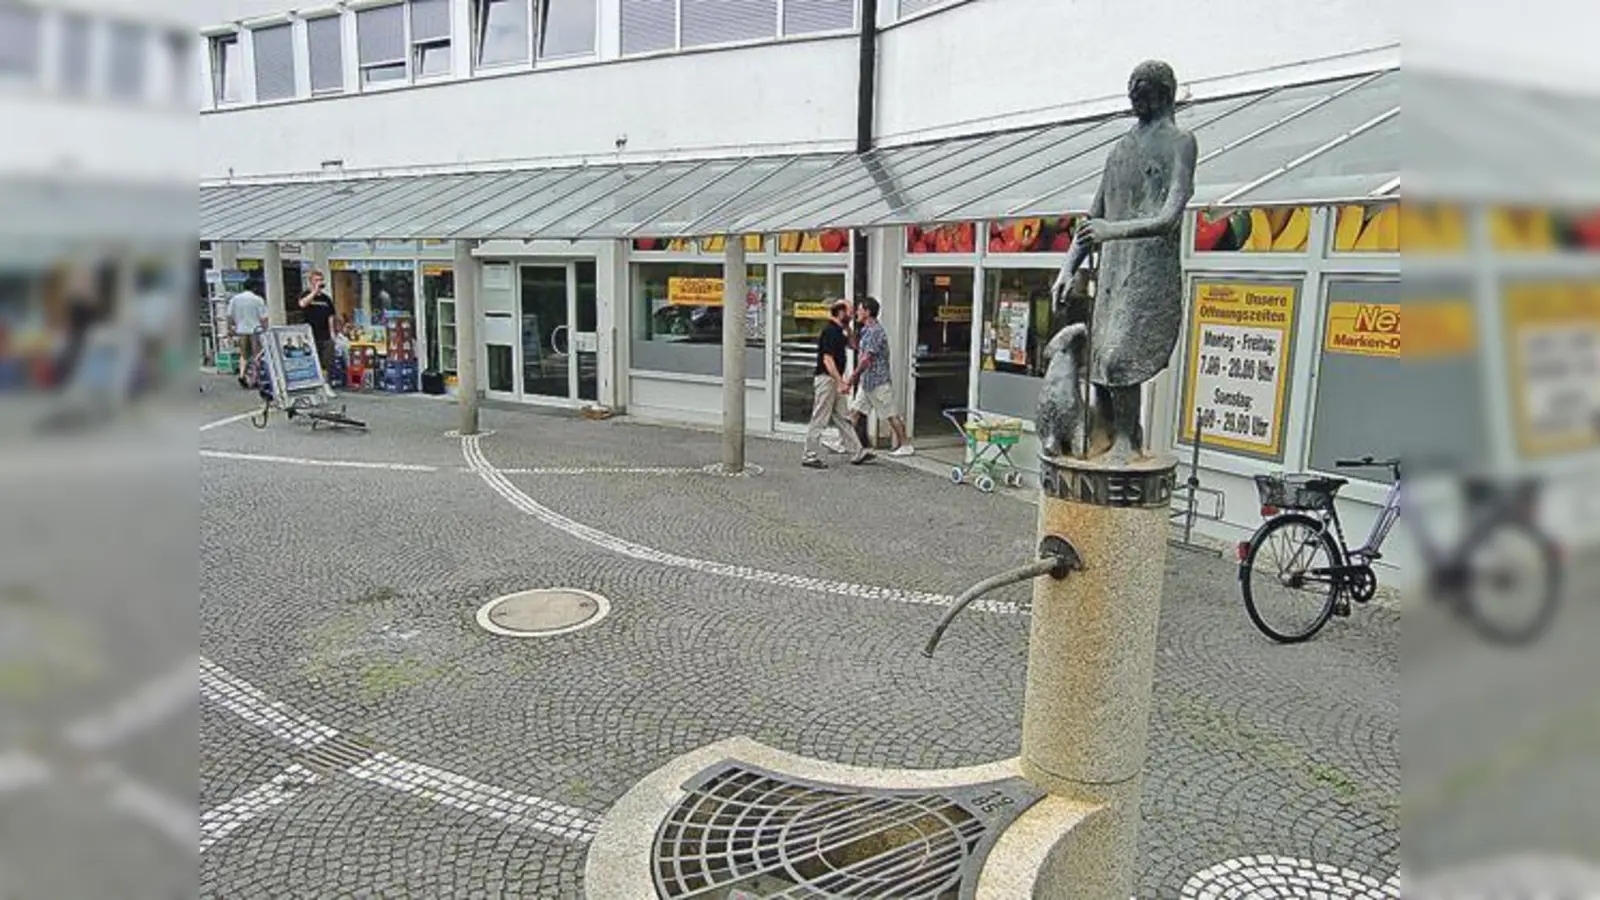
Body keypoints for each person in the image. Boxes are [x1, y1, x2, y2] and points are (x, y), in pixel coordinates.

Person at [803, 300, 872, 469]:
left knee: (843, 417)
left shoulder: (840, 331)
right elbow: (827, 359)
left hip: (834, 379)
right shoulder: (829, 332)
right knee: (820, 417)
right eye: (849, 311)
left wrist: (848, 329)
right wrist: (840, 382)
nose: (852, 314)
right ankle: (809, 455)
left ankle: (857, 451)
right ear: (840, 312)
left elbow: (854, 345)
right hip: (827, 379)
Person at [848, 296, 913, 456]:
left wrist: (853, 376)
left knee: (890, 414)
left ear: (868, 312)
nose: (857, 311)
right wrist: (847, 330)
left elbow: (866, 359)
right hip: (867, 381)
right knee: (855, 411)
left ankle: (905, 445)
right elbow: (857, 347)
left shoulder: (876, 331)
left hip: (878, 382)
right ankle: (844, 441)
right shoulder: (866, 330)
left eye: (860, 309)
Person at [226, 280, 269, 389]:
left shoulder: (235, 299)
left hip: (241, 330)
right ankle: (256, 378)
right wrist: (265, 330)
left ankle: (241, 375)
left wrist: (230, 329)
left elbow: (229, 316)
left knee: (243, 355)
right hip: (255, 330)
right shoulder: (258, 299)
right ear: (254, 288)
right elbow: (264, 318)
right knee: (257, 355)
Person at [298, 270, 338, 379]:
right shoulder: (306, 294)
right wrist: (314, 292)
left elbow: (331, 316)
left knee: (327, 360)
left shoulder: (326, 299)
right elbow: (302, 304)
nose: (319, 282)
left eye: (321, 280)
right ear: (311, 282)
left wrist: (332, 333)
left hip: (325, 334)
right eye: (316, 280)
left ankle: (326, 381)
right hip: (310, 334)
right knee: (313, 359)